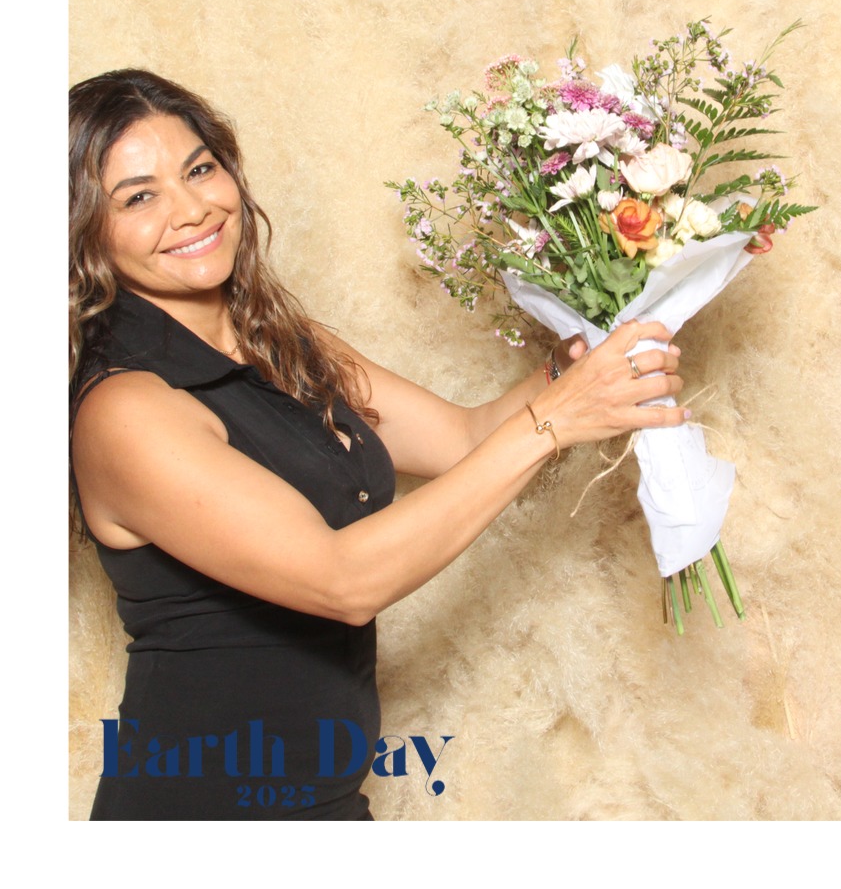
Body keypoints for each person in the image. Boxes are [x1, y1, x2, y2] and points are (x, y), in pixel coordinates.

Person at [69, 68, 689, 821]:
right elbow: (343, 580)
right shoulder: (126, 407)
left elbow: (462, 440)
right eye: (139, 197)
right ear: (85, 231)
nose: (192, 208)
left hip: (323, 803)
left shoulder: (281, 342)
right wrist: (555, 420)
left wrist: (578, 358)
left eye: (199, 170)